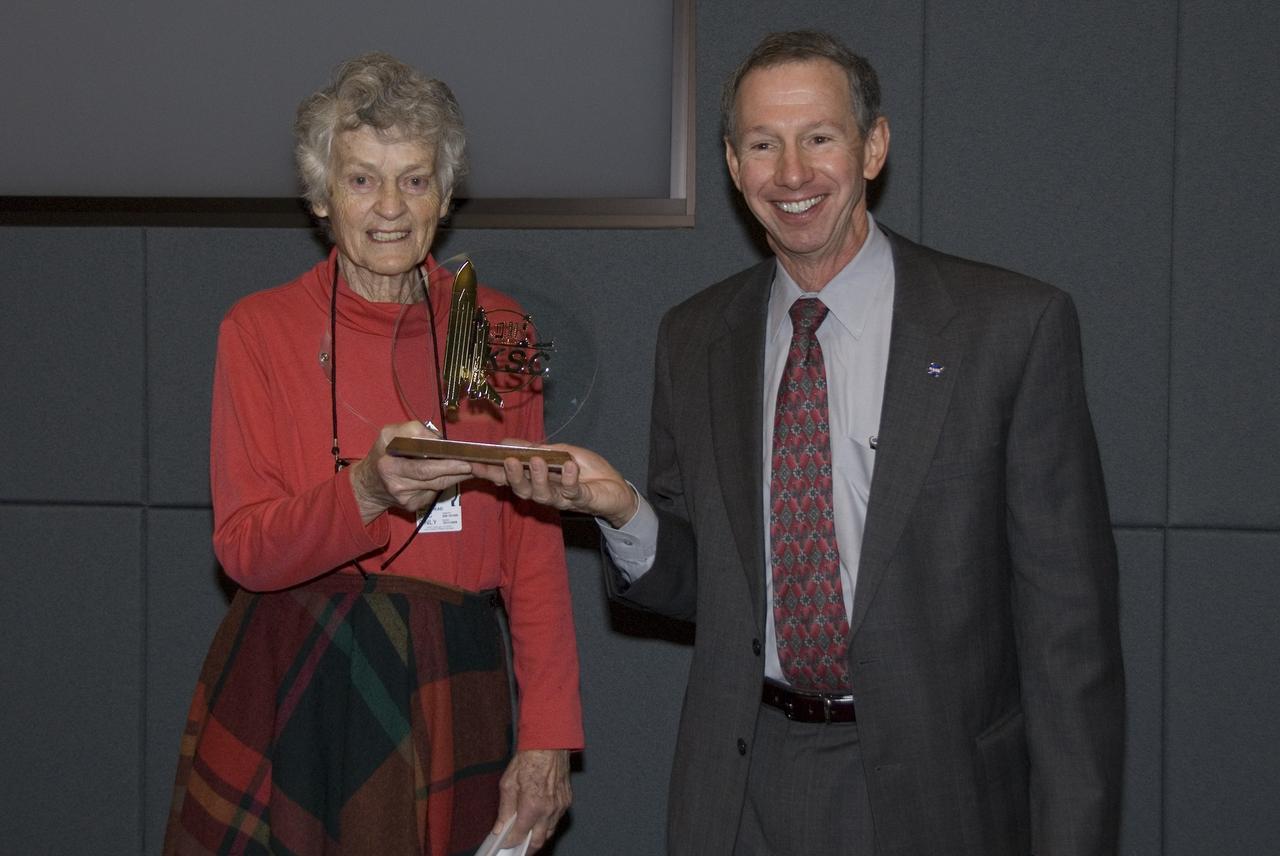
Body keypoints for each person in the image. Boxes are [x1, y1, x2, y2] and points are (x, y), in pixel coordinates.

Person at [475, 29, 1124, 856]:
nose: (792, 173)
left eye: (819, 137)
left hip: (937, 792)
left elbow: (1070, 642)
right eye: (762, 144)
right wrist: (622, 511)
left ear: (874, 147)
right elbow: (702, 585)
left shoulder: (1008, 329)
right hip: (745, 783)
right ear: (731, 162)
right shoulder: (695, 337)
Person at [164, 52, 582, 855]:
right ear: (321, 197)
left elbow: (533, 551)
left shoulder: (484, 327)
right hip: (297, 680)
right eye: (361, 180)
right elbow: (243, 549)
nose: (389, 207)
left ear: (445, 195)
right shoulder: (261, 329)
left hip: (447, 681)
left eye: (415, 180)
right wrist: (362, 491)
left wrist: (549, 736)